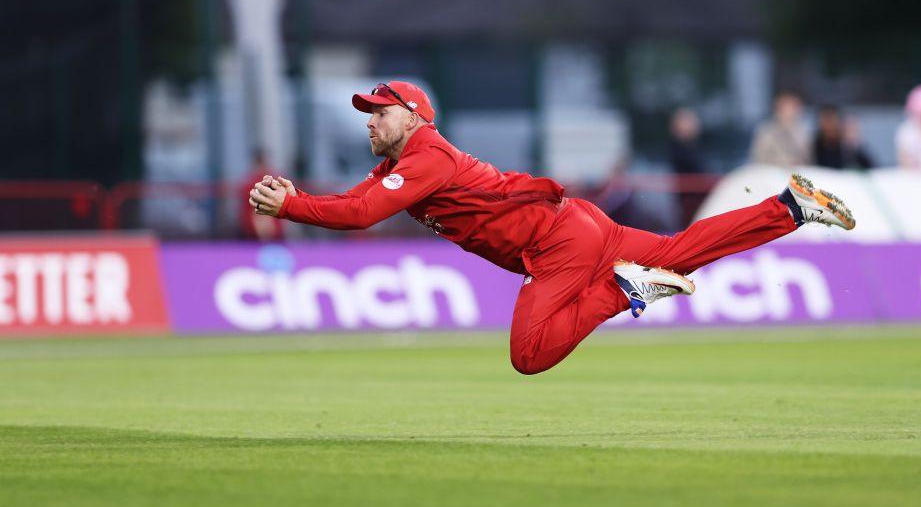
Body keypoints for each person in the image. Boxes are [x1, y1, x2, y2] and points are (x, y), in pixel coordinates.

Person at [249, 81, 855, 375]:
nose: (369, 122)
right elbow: (352, 201)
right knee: (677, 253)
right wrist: (296, 198)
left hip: (557, 242)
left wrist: (289, 209)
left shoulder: (426, 158)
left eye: (378, 113)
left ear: (412, 115)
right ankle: (790, 207)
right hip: (576, 223)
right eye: (368, 115)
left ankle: (625, 290)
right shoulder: (403, 162)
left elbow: (358, 215)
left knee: (529, 355)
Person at [749, 91, 811, 167]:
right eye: (786, 106)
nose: (790, 111)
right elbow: (758, 157)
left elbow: (808, 159)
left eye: (794, 106)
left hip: (796, 175)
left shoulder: (803, 131)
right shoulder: (766, 131)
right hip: (772, 174)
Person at [812, 105, 874, 170]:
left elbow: (873, 169)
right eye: (825, 119)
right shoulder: (812, 147)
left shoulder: (848, 147)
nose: (829, 124)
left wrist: (854, 146)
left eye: (831, 119)